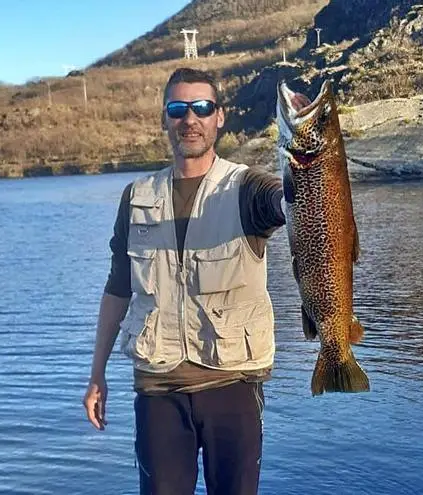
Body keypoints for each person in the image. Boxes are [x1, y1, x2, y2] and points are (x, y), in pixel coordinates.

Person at [82, 67, 288, 495]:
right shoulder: (137, 196)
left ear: (219, 117)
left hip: (233, 383)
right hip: (159, 390)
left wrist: (311, 166)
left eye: (201, 107)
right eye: (178, 108)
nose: (189, 119)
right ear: (165, 118)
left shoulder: (246, 187)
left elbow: (287, 200)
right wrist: (96, 373)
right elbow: (118, 288)